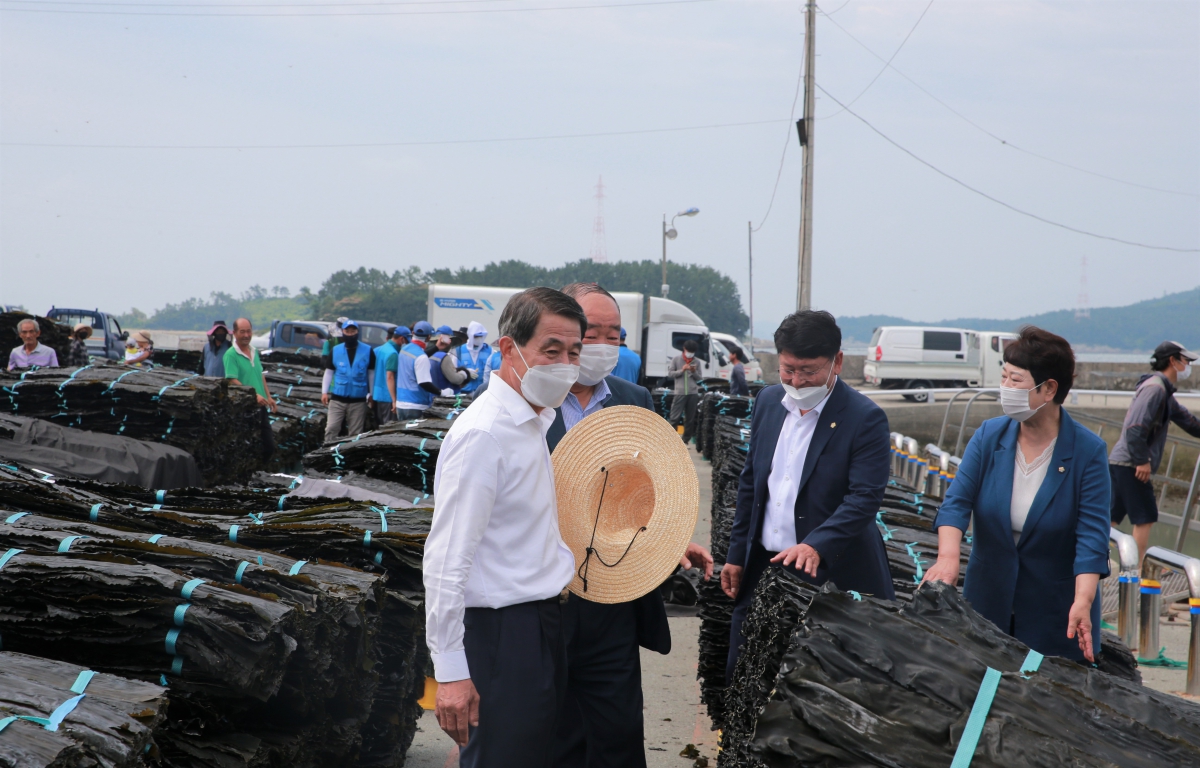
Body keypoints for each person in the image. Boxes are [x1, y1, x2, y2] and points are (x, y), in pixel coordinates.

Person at [548, 283, 713, 768]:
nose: (602, 344)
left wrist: (674, 540)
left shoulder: (633, 397)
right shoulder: (526, 401)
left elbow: (647, 490)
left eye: (613, 334)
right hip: (543, 604)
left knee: (617, 736)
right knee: (552, 737)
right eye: (590, 331)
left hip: (614, 601)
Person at [424, 287, 585, 768]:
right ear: (509, 349)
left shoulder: (533, 421)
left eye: (574, 352)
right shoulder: (484, 434)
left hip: (543, 625)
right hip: (501, 636)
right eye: (551, 350)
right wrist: (451, 672)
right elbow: (447, 560)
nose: (565, 363)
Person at [721, 310, 894, 681]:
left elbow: (863, 498)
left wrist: (816, 544)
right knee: (744, 670)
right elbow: (751, 483)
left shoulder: (865, 419)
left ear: (838, 362)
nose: (797, 381)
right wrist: (736, 556)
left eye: (809, 371)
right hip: (763, 564)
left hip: (828, 573)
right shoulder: (768, 402)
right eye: (788, 369)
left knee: (812, 681)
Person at [922, 326, 1110, 663]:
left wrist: (1083, 598)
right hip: (987, 600)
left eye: (1016, 380)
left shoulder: (1087, 451)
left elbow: (1092, 536)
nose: (1005, 388)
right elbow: (957, 502)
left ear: (1049, 388)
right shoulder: (990, 435)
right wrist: (948, 558)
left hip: (1057, 613)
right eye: (1003, 377)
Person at [1108, 341, 1200, 562]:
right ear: (1173, 361)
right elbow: (1135, 427)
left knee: (1111, 516)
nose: (1188, 366)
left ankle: (1094, 557)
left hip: (1121, 461)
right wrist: (1142, 460)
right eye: (1186, 361)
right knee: (1146, 516)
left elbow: (1190, 423)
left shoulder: (1163, 391)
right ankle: (1137, 569)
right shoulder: (1155, 389)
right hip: (1132, 463)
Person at [223, 318, 277, 461]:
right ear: (234, 333)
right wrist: (253, 395)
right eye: (242, 332)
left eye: (248, 331)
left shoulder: (254, 351)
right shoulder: (230, 355)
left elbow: (260, 375)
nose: (246, 335)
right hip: (244, 407)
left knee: (268, 445)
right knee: (249, 446)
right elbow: (231, 380)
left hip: (261, 405)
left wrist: (268, 396)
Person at [321, 320, 377, 442]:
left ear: (357, 332)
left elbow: (371, 373)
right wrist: (324, 392)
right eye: (347, 331)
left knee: (355, 433)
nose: (350, 334)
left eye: (353, 331)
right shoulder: (335, 350)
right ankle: (326, 454)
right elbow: (329, 372)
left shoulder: (368, 350)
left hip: (358, 400)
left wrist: (371, 394)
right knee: (331, 428)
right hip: (337, 398)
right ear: (342, 332)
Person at [395, 321, 443, 420]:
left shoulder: (404, 349)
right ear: (429, 337)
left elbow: (420, 357)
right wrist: (441, 392)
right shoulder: (421, 357)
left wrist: (436, 348)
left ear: (412, 333)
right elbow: (424, 382)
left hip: (401, 404)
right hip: (416, 406)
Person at [667, 339, 703, 444]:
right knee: (674, 417)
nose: (690, 354)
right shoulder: (676, 359)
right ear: (684, 349)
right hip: (680, 392)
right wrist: (682, 370)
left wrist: (694, 371)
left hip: (692, 393)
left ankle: (685, 440)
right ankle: (671, 441)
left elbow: (700, 378)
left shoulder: (697, 361)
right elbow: (670, 374)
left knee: (690, 419)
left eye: (692, 352)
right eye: (689, 351)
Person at [369, 325, 406, 426]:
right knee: (388, 427)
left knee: (379, 426)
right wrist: (394, 400)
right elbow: (390, 377)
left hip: (378, 394)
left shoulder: (381, 349)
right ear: (401, 339)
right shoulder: (393, 353)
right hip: (387, 396)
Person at [457, 321, 491, 394]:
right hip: (463, 392)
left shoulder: (489, 350)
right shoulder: (459, 350)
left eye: (480, 336)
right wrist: (466, 372)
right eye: (476, 336)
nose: (478, 339)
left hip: (482, 392)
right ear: (470, 335)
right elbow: (452, 370)